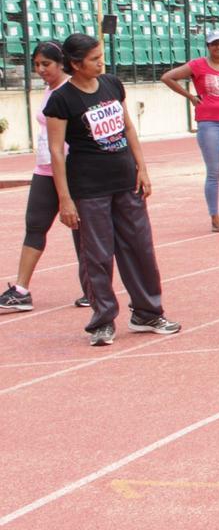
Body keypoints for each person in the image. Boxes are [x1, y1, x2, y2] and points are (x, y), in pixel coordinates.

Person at [46, 33, 180, 346]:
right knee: (98, 256)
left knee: (140, 249)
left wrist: (142, 168)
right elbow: (55, 151)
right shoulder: (61, 100)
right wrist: (65, 199)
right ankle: (102, 320)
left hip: (126, 182)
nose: (101, 62)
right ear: (76, 64)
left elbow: (128, 127)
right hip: (89, 188)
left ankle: (147, 313)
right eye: (94, 59)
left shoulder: (111, 84)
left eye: (101, 56)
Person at [0, 42, 88, 313]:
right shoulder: (49, 91)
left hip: (73, 171)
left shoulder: (71, 92)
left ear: (61, 63)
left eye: (45, 64)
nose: (40, 70)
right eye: (36, 65)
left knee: (82, 231)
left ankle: (92, 288)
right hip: (44, 170)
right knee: (35, 225)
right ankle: (21, 290)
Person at [159, 29, 219, 232]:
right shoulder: (198, 65)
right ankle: (215, 218)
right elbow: (167, 77)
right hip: (209, 122)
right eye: (214, 44)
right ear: (208, 46)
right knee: (214, 171)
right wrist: (191, 97)